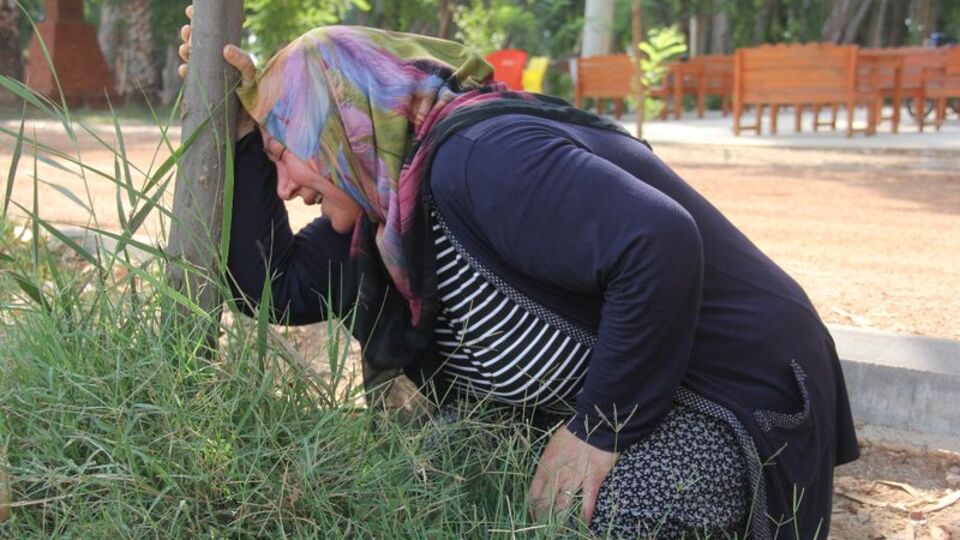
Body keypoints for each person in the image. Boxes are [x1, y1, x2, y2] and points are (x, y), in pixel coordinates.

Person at [178, 9, 859, 539]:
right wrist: (241, 131)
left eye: (282, 152)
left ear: (338, 124)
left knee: (614, 511)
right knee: (434, 472)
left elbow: (658, 243)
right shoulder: (391, 216)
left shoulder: (478, 158)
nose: (286, 183)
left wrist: (600, 431)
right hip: (649, 380)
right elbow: (269, 286)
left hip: (733, 381)